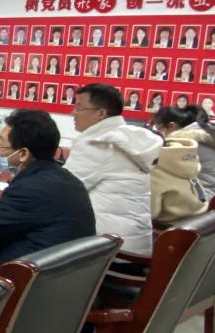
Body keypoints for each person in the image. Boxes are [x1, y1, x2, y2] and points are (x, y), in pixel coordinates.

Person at [0, 109, 95, 277]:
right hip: (65, 276)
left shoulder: (32, 189)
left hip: (29, 283)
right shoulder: (66, 179)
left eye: (1, 144)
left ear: (23, 154)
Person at [65, 84, 161, 254]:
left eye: (79, 107)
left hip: (110, 250)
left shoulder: (99, 142)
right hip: (136, 243)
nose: (73, 113)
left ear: (101, 113)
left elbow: (64, 189)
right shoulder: (128, 137)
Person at [151, 105, 215, 198]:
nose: (162, 134)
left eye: (160, 129)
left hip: (207, 196)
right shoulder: (212, 135)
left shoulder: (183, 142)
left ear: (172, 125)